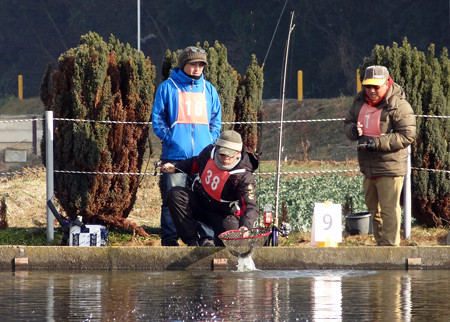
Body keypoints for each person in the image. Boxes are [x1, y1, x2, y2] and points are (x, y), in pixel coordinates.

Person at [152, 46, 222, 246]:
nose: (197, 68)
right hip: (175, 155)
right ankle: (170, 240)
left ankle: (207, 238)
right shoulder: (167, 87)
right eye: (193, 64)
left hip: (203, 157)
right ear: (183, 65)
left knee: (206, 198)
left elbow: (216, 118)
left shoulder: (209, 89)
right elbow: (157, 118)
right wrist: (170, 138)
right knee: (170, 201)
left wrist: (210, 140)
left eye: (201, 64)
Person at [344, 65, 416, 246]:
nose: (371, 90)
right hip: (368, 166)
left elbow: (407, 135)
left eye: (376, 86)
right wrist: (353, 131)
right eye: (368, 86)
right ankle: (380, 246)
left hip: (390, 167)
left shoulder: (399, 105)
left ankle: (390, 247)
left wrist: (376, 143)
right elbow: (348, 123)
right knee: (373, 209)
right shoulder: (359, 101)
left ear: (386, 83)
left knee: (389, 209)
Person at [161, 130, 259, 246]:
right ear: (217, 148)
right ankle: (192, 243)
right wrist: (176, 168)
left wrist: (245, 226)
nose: (225, 158)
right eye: (222, 154)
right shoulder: (209, 152)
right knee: (175, 194)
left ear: (238, 153)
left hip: (224, 214)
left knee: (232, 244)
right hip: (200, 203)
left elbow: (250, 205)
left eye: (229, 155)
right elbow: (195, 163)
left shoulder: (245, 176)